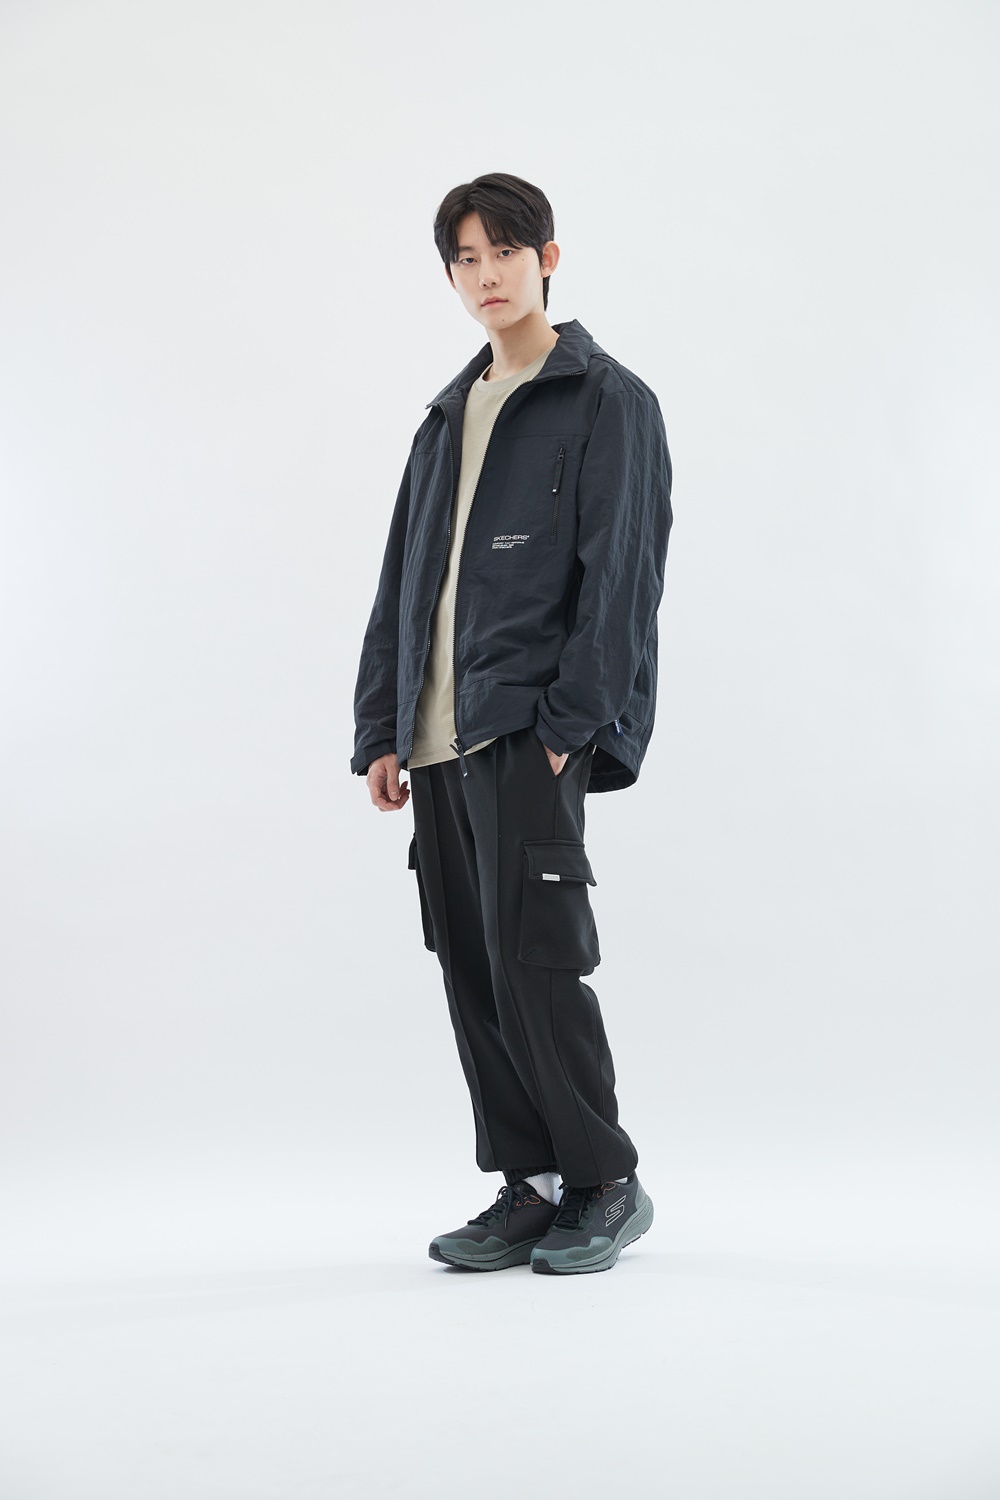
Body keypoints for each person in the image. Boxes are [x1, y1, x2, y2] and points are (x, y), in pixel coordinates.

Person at [350, 172, 673, 1275]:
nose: (486, 275)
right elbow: (403, 583)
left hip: (526, 727)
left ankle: (605, 1181)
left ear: (548, 258)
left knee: (537, 959)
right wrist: (383, 725)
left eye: (504, 252)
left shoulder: (605, 399)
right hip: (439, 737)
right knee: (473, 965)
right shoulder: (447, 416)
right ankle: (529, 1184)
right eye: (466, 259)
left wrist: (568, 723)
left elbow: (622, 580)